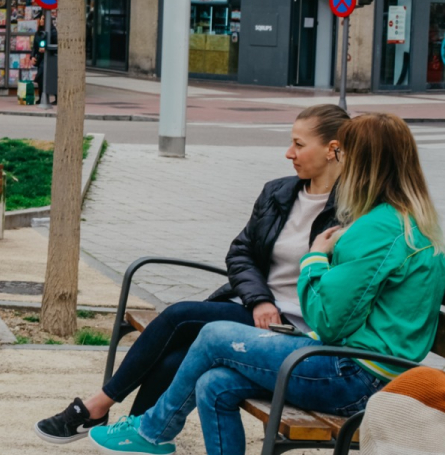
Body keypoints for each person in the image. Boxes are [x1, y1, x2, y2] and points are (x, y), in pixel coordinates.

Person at [87, 112, 445, 455]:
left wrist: (314, 257)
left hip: (354, 376)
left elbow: (329, 321)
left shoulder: (377, 229)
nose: (340, 159)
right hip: (366, 368)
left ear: (363, 162)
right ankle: (150, 429)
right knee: (214, 384)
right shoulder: (412, 220)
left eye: (343, 151)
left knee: (214, 335)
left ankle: (152, 431)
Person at [36, 104, 350, 444]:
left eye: (299, 145)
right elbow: (241, 252)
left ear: (332, 149)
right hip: (258, 313)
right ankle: (137, 434)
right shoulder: (279, 192)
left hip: (303, 330)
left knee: (181, 319)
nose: (289, 153)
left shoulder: (353, 211)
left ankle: (101, 408)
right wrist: (259, 300)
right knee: (177, 346)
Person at [31, 12, 57, 105]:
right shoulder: (38, 32)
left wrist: (46, 48)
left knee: (46, 77)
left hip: (50, 59)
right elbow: (34, 46)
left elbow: (56, 45)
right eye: (41, 19)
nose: (41, 21)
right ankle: (42, 97)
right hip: (40, 59)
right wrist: (32, 56)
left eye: (43, 19)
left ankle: (56, 96)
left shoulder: (53, 31)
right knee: (41, 78)